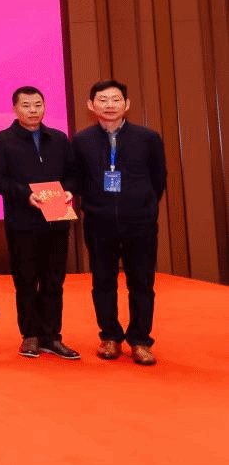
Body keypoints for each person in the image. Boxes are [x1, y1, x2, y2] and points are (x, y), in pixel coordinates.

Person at [72, 80, 166, 366]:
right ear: (91, 105)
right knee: (103, 281)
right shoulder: (81, 140)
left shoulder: (147, 138)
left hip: (140, 223)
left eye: (115, 99)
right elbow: (77, 179)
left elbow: (158, 178)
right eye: (103, 100)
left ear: (127, 104)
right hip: (99, 222)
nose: (110, 105)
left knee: (142, 282)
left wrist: (143, 206)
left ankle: (140, 340)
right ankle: (110, 336)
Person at [0, 85, 81, 360]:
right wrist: (25, 195)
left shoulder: (59, 139)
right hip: (22, 221)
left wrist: (69, 190)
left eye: (38, 105)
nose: (33, 110)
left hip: (57, 220)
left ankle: (52, 336)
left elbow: (74, 174)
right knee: (26, 280)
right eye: (26, 105)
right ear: (15, 108)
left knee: (54, 280)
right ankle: (30, 335)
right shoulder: (1, 141)